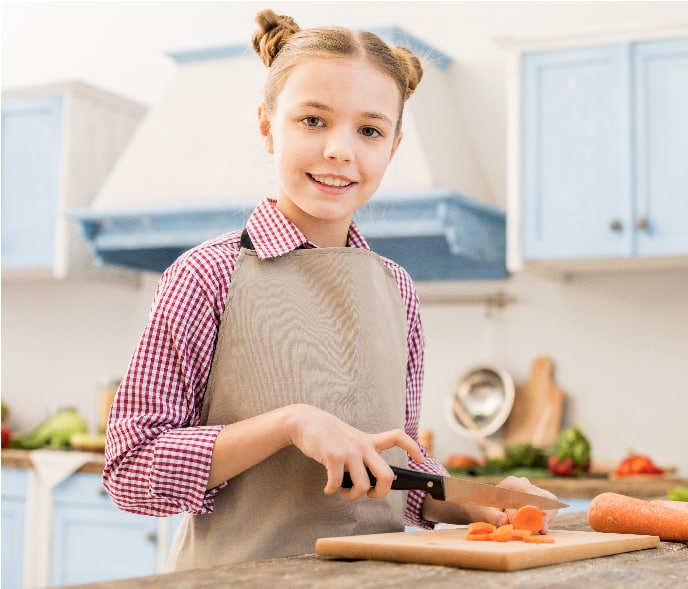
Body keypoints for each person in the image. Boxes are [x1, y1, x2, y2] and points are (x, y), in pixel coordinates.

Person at [103, 8, 558, 571]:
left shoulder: (397, 290)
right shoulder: (205, 276)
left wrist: (479, 501)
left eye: (369, 129)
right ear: (269, 128)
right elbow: (131, 472)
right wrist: (289, 423)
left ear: (391, 149)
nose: (340, 149)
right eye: (313, 121)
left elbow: (394, 476)